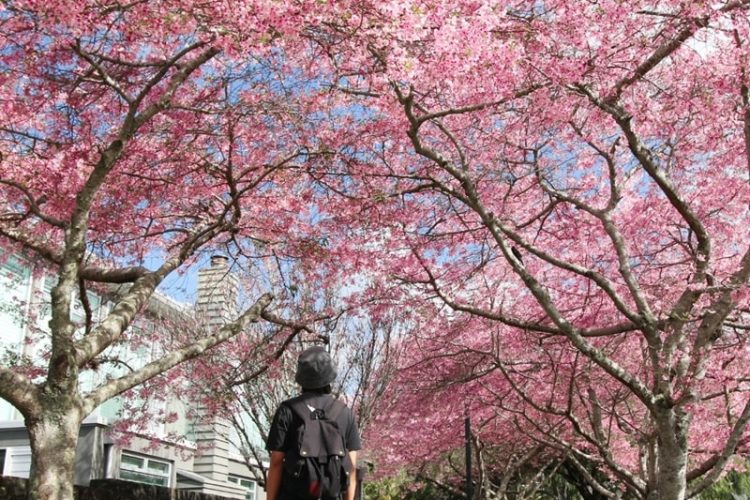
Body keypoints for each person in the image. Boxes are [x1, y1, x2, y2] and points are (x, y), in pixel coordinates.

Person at [265, 346, 362, 500]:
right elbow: (351, 468)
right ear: (330, 377)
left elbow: (276, 462)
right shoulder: (345, 413)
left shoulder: (287, 410)